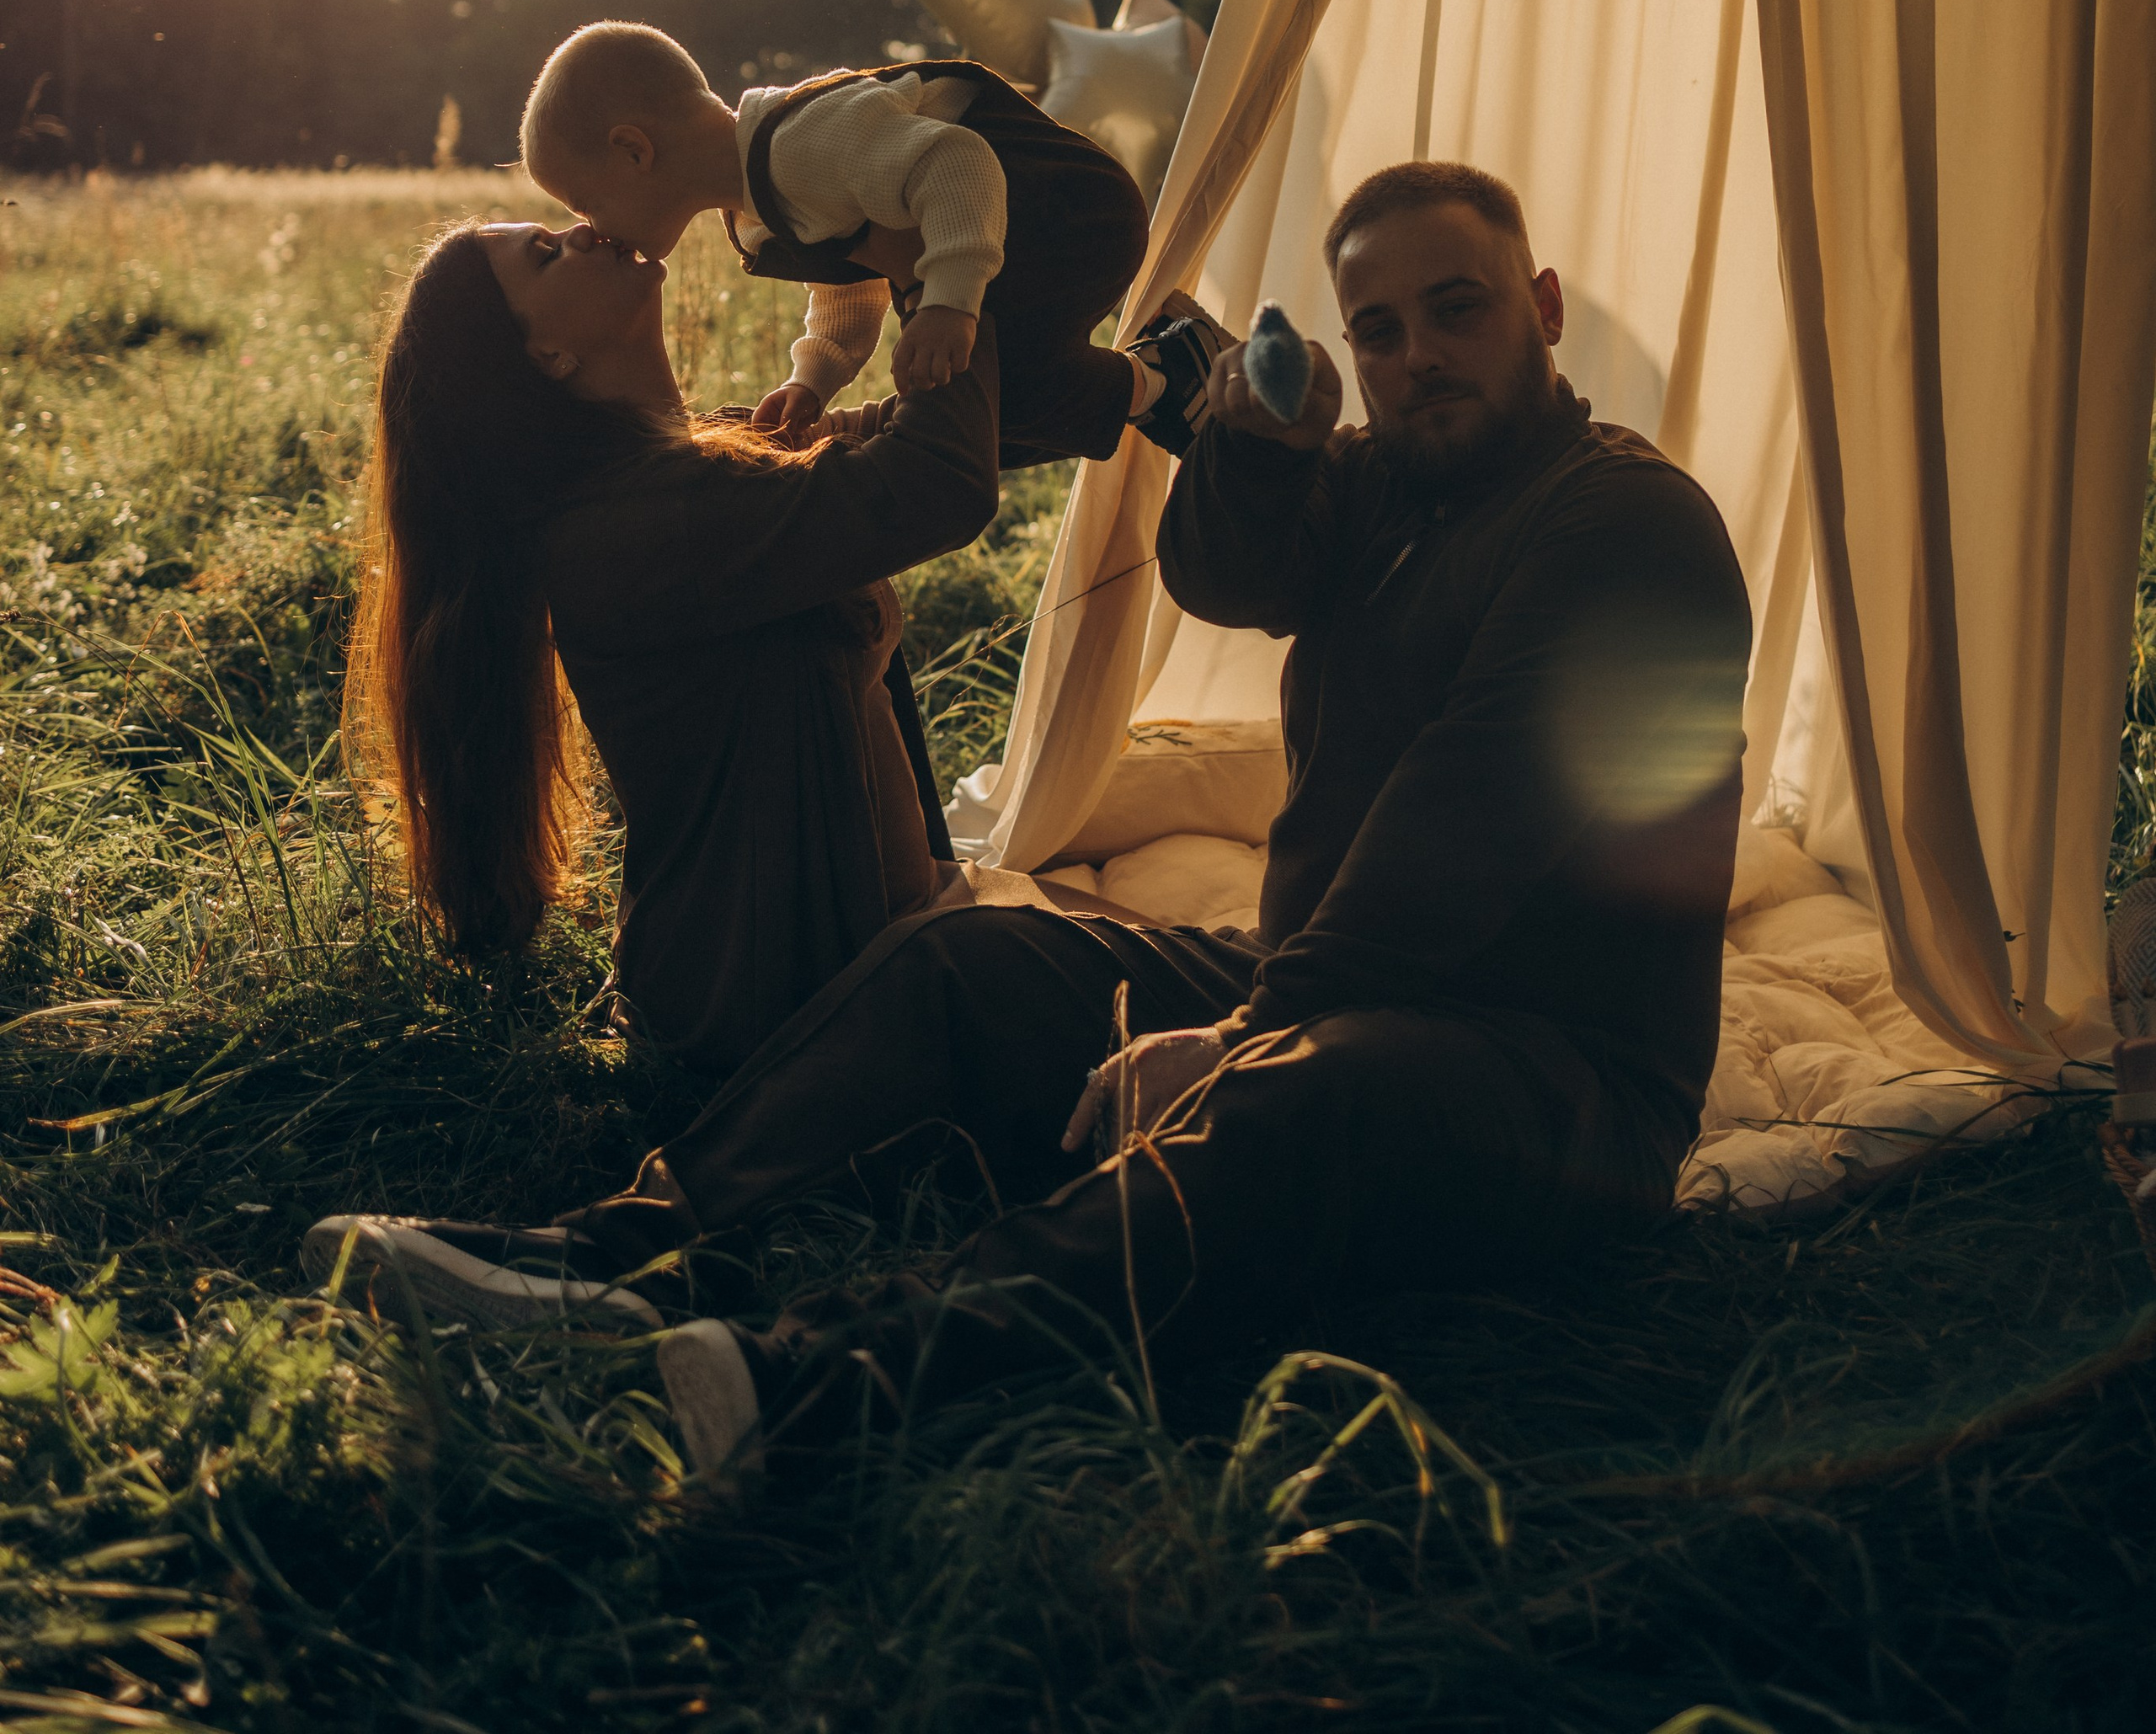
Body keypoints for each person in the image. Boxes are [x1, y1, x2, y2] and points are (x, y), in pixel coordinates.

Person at [307, 160, 1753, 1462]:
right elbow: (1234, 581)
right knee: (979, 957)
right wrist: (1251, 443)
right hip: (1326, 1000)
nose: (1421, 361)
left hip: (1556, 1082)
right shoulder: (1395, 485)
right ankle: (613, 1259)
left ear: (1545, 307)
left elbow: (1458, 840)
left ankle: (799, 1378)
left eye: (1461, 312)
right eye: (1381, 332)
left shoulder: (1622, 527)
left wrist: (1246, 1039)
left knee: (1298, 1103)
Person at [342, 213, 1003, 1114]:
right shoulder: (637, 530)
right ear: (545, 358)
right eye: (544, 254)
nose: (580, 228)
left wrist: (1124, 386)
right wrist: (943, 269)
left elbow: (932, 439)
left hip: (883, 947)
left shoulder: (698, 463)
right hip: (780, 1014)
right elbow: (935, 484)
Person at [517, 19, 1225, 467]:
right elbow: (848, 277)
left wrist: (945, 302)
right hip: (1017, 242)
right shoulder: (757, 209)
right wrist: (814, 376)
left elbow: (957, 163)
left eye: (585, 202)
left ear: (634, 150)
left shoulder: (801, 142)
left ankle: (1165, 375)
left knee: (997, 392)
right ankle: (1161, 385)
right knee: (974, 419)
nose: (589, 227)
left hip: (1067, 212)